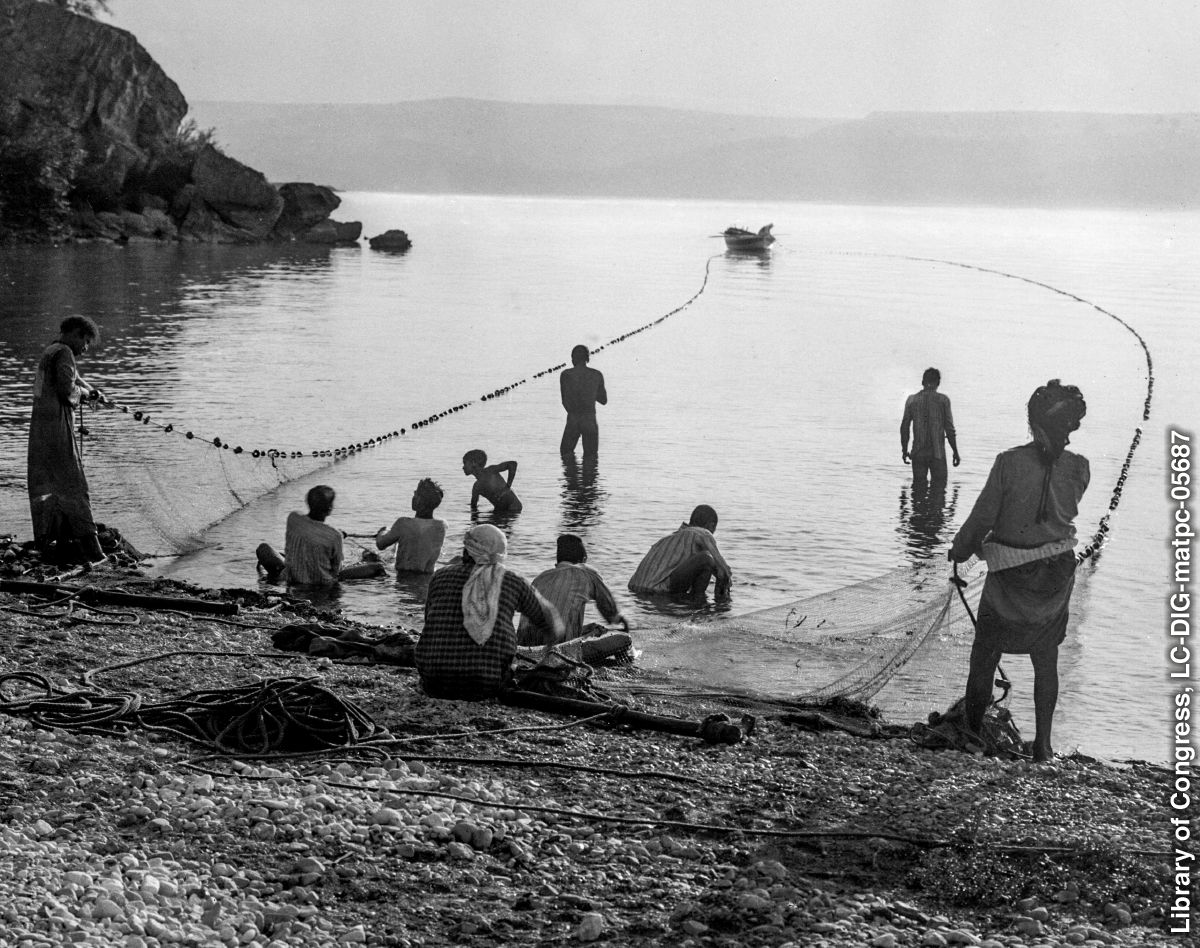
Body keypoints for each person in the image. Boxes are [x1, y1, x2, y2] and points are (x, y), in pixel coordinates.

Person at [948, 380, 1090, 763]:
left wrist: (960, 549)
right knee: (1046, 659)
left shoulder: (1009, 462)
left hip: (1012, 576)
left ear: (1032, 420)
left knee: (985, 653)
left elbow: (982, 519)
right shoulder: (1080, 468)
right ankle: (1043, 746)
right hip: (1056, 577)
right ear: (1072, 425)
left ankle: (973, 735)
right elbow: (1054, 516)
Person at [416, 523, 561, 699]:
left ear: (466, 550)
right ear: (500, 554)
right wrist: (549, 648)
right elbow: (551, 622)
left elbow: (428, 622)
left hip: (433, 680)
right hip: (485, 683)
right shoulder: (512, 581)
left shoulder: (439, 576)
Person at [27, 315, 107, 565]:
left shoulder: (52, 349)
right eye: (85, 341)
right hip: (57, 429)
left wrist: (93, 390)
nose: (85, 348)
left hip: (40, 429)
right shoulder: (65, 353)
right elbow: (67, 389)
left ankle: (52, 541)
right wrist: (86, 394)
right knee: (74, 482)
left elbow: (75, 378)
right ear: (74, 333)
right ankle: (93, 549)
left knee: (49, 483)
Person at [256, 485, 385, 585]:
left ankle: (272, 578)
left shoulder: (293, 518)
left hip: (290, 576)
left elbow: (310, 528)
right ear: (329, 509)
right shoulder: (334, 536)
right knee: (378, 567)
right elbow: (336, 571)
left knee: (263, 548)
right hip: (322, 583)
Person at [519, 534, 628, 645]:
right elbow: (608, 609)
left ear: (558, 561)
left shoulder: (539, 579)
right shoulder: (586, 573)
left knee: (592, 628)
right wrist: (618, 618)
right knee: (623, 640)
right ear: (583, 560)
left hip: (525, 646)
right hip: (561, 647)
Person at [628, 504, 732, 601]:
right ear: (711, 526)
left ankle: (693, 602)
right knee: (706, 559)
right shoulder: (703, 533)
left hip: (635, 589)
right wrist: (724, 593)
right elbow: (724, 570)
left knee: (708, 561)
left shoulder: (669, 539)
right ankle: (698, 603)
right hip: (658, 590)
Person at [901, 367, 961, 490]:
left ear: (922, 382)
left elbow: (904, 427)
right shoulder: (943, 400)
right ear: (938, 383)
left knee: (918, 490)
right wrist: (955, 451)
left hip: (918, 453)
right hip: (937, 453)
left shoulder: (912, 400)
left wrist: (904, 449)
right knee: (939, 491)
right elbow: (949, 429)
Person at [374, 477, 447, 573]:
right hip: (427, 580)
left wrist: (382, 531)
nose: (413, 497)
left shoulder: (403, 523)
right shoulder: (441, 526)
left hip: (403, 579)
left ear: (419, 500)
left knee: (371, 558)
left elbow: (381, 544)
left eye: (415, 494)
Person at [559, 344, 608, 460]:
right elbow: (603, 400)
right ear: (587, 358)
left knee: (566, 453)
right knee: (591, 457)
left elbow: (564, 401)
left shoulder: (566, 375)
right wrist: (590, 391)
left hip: (573, 419)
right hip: (590, 419)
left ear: (573, 359)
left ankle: (571, 477)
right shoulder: (596, 375)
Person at [463, 449, 522, 514]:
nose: (463, 467)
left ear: (473, 463)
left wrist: (507, 487)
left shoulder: (491, 471)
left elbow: (512, 464)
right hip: (499, 512)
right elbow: (473, 507)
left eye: (465, 463)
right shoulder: (476, 487)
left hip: (514, 509)